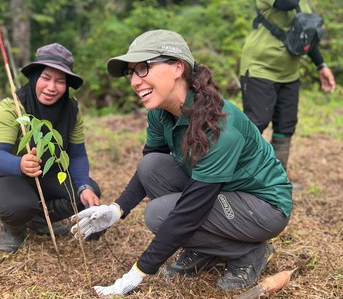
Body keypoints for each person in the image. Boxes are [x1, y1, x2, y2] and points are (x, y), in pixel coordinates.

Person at [70, 29, 293, 295]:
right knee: (151, 166)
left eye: (143, 67)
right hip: (222, 192)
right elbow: (148, 171)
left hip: (263, 206)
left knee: (159, 214)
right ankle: (205, 249)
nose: (134, 81)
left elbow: (190, 211)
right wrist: (116, 210)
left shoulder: (221, 126)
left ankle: (249, 252)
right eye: (132, 72)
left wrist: (138, 272)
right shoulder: (161, 112)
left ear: (177, 67)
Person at [0, 43, 101, 253]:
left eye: (60, 81)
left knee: (86, 195)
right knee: (17, 207)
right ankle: (14, 227)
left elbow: (77, 154)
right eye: (46, 78)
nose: (51, 87)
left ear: (67, 85)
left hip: (48, 172)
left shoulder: (71, 110)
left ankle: (39, 219)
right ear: (35, 76)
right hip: (9, 173)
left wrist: (84, 187)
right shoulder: (13, 106)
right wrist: (20, 163)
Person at [240, 0, 336, 170]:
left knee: (286, 125)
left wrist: (321, 65)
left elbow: (305, 34)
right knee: (256, 123)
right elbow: (287, 3)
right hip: (260, 68)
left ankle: (277, 180)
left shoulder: (305, 4)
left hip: (289, 73)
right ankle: (238, 176)